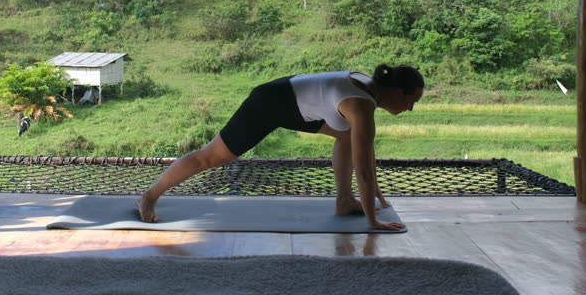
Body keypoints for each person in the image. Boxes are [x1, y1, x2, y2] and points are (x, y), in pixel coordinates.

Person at [136, 64, 424, 231]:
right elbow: (362, 168)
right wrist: (373, 221)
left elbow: (365, 152)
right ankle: (149, 196)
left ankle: (344, 201)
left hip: (300, 105)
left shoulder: (367, 86)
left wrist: (375, 192)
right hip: (271, 102)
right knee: (211, 157)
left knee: (346, 135)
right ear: (399, 92)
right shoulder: (360, 107)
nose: (411, 108)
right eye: (413, 100)